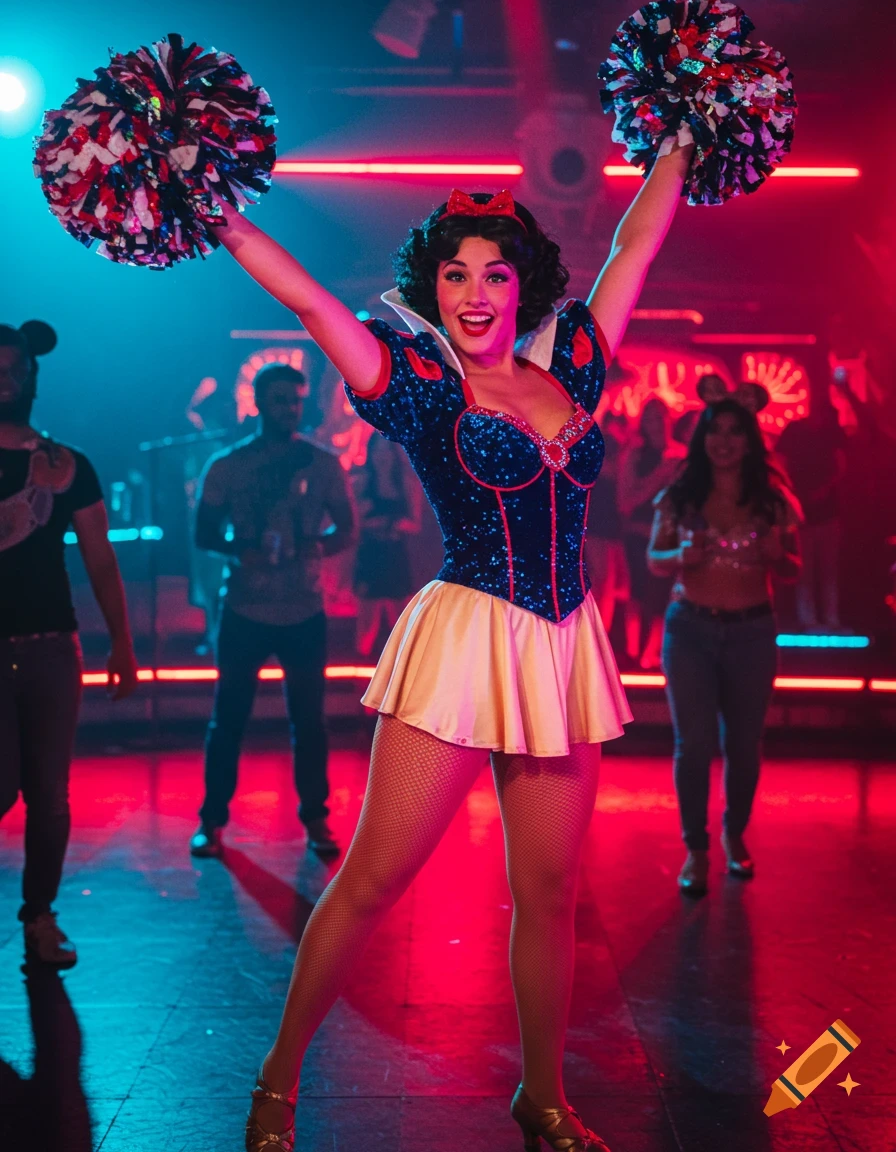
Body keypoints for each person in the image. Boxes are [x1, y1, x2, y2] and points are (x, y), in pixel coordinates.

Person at [213, 152, 691, 1152]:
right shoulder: (423, 386)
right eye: (455, 273)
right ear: (431, 288)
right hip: (465, 640)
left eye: (494, 274)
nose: (475, 293)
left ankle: (542, 1097)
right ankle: (275, 1081)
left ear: (523, 286)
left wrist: (684, 137)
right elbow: (308, 301)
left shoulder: (572, 365)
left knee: (552, 896)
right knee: (372, 882)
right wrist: (215, 212)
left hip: (561, 648)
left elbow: (636, 243)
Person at [0, 321, 138, 967]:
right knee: (3, 787)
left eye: (15, 370)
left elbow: (100, 558)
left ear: (33, 376)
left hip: (53, 645)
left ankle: (40, 918)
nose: (6, 381)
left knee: (49, 797)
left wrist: (122, 642)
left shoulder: (68, 465)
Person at [190, 363, 356, 860]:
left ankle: (316, 819)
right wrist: (241, 549)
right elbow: (203, 533)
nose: (290, 408)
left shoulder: (323, 463)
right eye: (280, 399)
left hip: (304, 609)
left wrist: (314, 547)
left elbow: (347, 528)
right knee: (228, 718)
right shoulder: (227, 465)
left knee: (309, 722)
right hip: (244, 608)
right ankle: (212, 821)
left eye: (296, 400)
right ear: (259, 403)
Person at [647, 399, 802, 896]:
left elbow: (794, 566)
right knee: (693, 745)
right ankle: (695, 848)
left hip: (752, 633)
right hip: (690, 631)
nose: (725, 441)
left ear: (750, 441)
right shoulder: (680, 495)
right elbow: (654, 558)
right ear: (703, 438)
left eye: (736, 431)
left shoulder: (772, 498)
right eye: (716, 430)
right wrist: (679, 554)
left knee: (743, 745)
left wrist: (777, 555)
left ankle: (735, 835)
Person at [617, 398, 684, 669]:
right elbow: (625, 502)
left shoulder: (682, 455)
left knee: (663, 595)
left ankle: (653, 653)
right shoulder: (635, 455)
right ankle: (633, 652)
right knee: (638, 591)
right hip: (638, 534)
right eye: (650, 418)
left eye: (660, 417)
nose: (656, 423)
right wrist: (659, 475)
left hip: (670, 534)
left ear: (669, 419)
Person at [776, 397, 846, 632]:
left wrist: (820, 491)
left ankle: (825, 620)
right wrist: (796, 494)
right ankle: (814, 620)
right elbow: (781, 463)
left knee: (826, 570)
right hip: (805, 513)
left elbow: (841, 466)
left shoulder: (830, 432)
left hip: (825, 512)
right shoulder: (796, 431)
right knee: (811, 570)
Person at [354, 431, 422, 657]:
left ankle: (400, 671)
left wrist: (392, 523)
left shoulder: (406, 483)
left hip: (395, 556)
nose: (382, 456)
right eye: (378, 451)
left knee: (401, 624)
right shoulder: (362, 481)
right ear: (370, 453)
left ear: (394, 453)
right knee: (367, 622)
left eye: (386, 450)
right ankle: (361, 666)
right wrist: (369, 521)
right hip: (370, 556)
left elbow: (415, 524)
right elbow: (351, 522)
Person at [583, 429, 629, 637]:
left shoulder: (613, 466)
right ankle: (597, 632)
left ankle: (600, 632)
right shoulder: (606, 468)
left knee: (609, 583)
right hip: (598, 529)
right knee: (603, 582)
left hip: (607, 529)